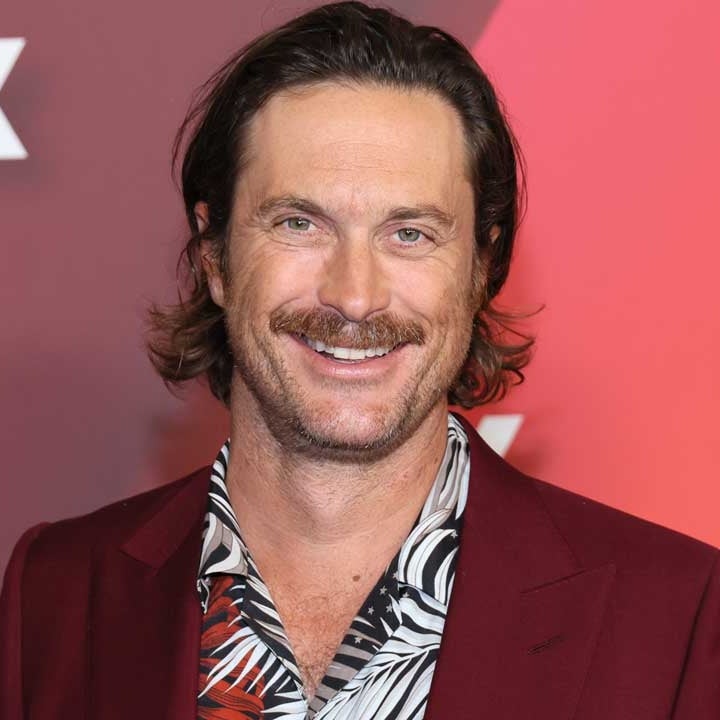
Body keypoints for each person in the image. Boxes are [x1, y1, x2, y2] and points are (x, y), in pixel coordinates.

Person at [1, 2, 718, 718]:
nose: (354, 296)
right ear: (215, 256)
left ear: (480, 267)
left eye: (410, 234)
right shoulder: (54, 595)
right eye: (299, 223)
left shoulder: (676, 618)